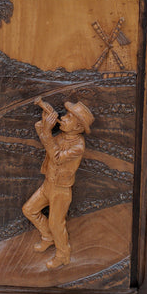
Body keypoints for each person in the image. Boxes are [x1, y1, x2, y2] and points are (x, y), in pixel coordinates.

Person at [22, 98, 94, 270]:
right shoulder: (62, 135)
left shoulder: (78, 146)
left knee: (56, 223)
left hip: (61, 190)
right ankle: (48, 237)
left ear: (78, 127)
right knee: (29, 210)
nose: (63, 118)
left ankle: (63, 255)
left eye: (69, 117)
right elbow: (42, 132)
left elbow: (56, 156)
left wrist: (47, 133)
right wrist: (45, 120)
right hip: (48, 184)